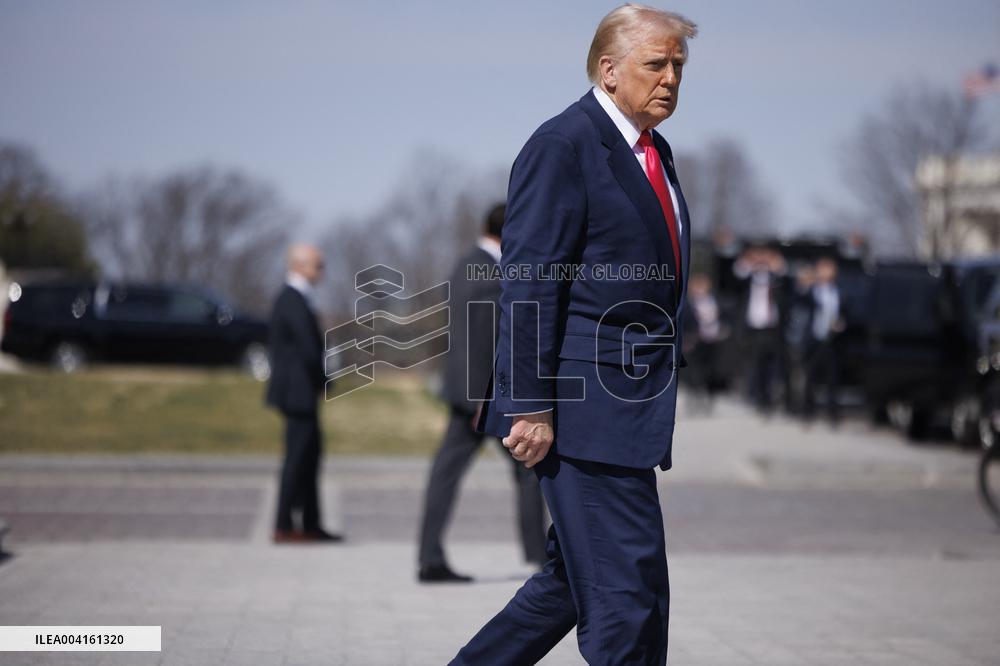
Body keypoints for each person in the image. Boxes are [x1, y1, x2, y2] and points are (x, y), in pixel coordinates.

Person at [453, 5, 696, 664]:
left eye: (678, 65)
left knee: (569, 586)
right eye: (656, 63)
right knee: (628, 601)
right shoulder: (565, 144)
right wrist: (529, 403)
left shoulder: (650, 149)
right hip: (583, 410)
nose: (671, 77)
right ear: (609, 69)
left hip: (624, 412)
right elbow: (529, 281)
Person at [417, 203, 548, 583]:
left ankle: (431, 557)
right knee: (527, 466)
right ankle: (539, 558)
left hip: (474, 393)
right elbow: (480, 339)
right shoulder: (487, 271)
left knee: (456, 472)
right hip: (481, 397)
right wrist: (478, 400)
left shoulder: (468, 262)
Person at [265, 243, 342, 544]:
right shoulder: (292, 298)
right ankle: (284, 524)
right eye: (317, 265)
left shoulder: (298, 298)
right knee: (297, 458)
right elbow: (307, 349)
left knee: (310, 456)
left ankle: (310, 523)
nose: (321, 271)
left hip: (301, 391)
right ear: (299, 266)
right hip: (296, 392)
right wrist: (323, 380)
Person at [733, 246, 786, 413]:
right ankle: (756, 397)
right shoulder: (747, 279)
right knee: (755, 364)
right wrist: (751, 258)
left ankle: (769, 396)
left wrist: (773, 260)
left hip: (772, 328)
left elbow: (783, 270)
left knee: (772, 365)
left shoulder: (776, 279)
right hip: (753, 328)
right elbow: (737, 272)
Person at [803, 257, 845, 426]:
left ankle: (832, 414)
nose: (826, 272)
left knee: (832, 380)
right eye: (823, 268)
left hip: (831, 341)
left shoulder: (838, 291)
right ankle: (807, 413)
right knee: (810, 378)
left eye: (829, 269)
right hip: (813, 339)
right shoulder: (810, 290)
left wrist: (841, 323)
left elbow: (844, 313)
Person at [683, 273, 725, 414]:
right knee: (694, 370)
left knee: (710, 370)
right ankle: (694, 396)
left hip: (712, 339)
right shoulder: (688, 302)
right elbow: (684, 320)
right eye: (697, 286)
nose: (700, 289)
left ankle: (709, 397)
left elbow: (724, 316)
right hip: (694, 340)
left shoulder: (715, 300)